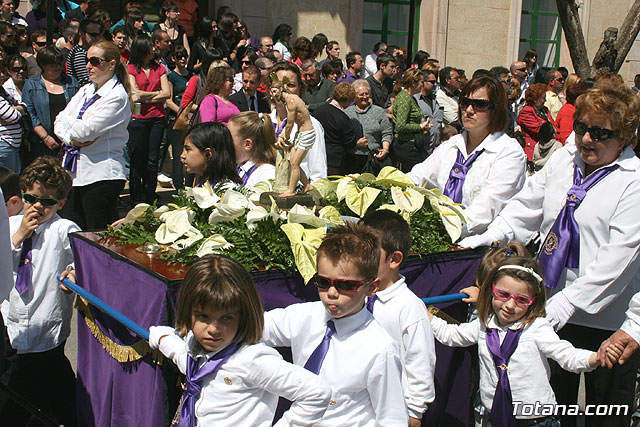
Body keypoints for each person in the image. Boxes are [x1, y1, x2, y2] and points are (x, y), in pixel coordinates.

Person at [459, 81, 640, 427]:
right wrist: (484, 237)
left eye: (600, 132)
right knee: (553, 409)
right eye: (582, 127)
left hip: (607, 319)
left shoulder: (634, 181)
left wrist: (564, 304)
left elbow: (616, 261)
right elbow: (526, 207)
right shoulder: (564, 159)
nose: (586, 139)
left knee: (606, 414)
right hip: (548, 308)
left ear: (625, 136)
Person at [430, 243, 622, 426]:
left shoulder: (537, 328)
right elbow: (451, 335)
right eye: (503, 294)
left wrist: (595, 357)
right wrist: (426, 316)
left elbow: (566, 355)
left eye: (521, 300)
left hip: (536, 418)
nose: (510, 305)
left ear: (533, 301)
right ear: (491, 290)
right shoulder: (483, 325)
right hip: (495, 415)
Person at [145, 254, 331, 426]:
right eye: (203, 317)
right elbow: (183, 357)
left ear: (243, 316)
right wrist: (162, 337)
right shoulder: (195, 347)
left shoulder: (253, 360)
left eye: (226, 318)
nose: (213, 329)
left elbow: (316, 393)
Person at [262, 223, 408, 425]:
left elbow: (391, 419)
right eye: (323, 282)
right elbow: (253, 328)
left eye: (345, 285)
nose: (331, 292)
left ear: (371, 287)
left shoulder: (380, 349)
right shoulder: (305, 316)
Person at [0, 156, 80, 426]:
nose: (37, 206)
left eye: (47, 201)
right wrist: (18, 236)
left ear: (61, 203)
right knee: (15, 393)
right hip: (11, 328)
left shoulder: (63, 229)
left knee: (53, 392)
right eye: (31, 198)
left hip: (45, 329)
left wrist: (73, 274)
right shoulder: (10, 225)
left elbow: (80, 262)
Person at [408, 75, 527, 235]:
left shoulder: (508, 152)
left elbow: (486, 208)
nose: (469, 110)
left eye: (480, 105)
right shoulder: (452, 144)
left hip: (481, 247)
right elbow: (419, 176)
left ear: (496, 109)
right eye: (465, 103)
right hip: (442, 236)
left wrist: (444, 229)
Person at [359, 210, 436, 426]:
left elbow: (420, 362)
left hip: (394, 412)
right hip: (361, 408)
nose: (358, 258)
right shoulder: (358, 295)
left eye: (367, 252)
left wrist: (414, 412)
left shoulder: (409, 307)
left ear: (394, 259)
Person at [54, 40, 131, 230]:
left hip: (101, 175)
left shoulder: (116, 96)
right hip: (74, 173)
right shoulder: (86, 89)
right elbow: (58, 121)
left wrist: (71, 126)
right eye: (88, 60)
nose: (89, 66)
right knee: (73, 230)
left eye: (95, 61)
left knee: (97, 236)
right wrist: (71, 138)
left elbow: (85, 131)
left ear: (111, 64)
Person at [126, 35, 169, 204]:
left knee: (153, 159)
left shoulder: (159, 69)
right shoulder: (130, 69)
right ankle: (135, 198)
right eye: (150, 47)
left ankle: (150, 196)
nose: (153, 50)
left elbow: (167, 93)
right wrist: (155, 95)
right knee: (137, 158)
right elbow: (134, 94)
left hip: (157, 118)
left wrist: (146, 97)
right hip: (138, 119)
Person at [269, 62, 327, 184]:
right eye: (278, 84)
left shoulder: (312, 125)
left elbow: (319, 174)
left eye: (290, 85)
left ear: (300, 88)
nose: (284, 88)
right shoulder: (263, 121)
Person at [22, 46, 79, 164]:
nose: (58, 67)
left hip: (68, 142)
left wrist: (68, 137)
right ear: (43, 65)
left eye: (59, 63)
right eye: (53, 64)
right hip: (41, 143)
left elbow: (79, 110)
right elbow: (30, 114)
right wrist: (45, 137)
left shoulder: (71, 82)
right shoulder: (31, 84)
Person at [270, 72, 315, 196]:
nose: (273, 95)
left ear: (280, 90)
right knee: (292, 162)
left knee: (294, 163)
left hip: (307, 133)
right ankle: (307, 185)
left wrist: (285, 137)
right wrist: (282, 135)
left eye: (274, 92)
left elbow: (289, 124)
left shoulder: (291, 100)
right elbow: (289, 123)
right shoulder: (288, 101)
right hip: (301, 133)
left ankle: (291, 191)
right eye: (271, 92)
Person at [345, 79, 393, 174]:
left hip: (375, 158)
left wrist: (385, 149)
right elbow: (343, 136)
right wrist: (355, 143)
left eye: (367, 94)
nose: (365, 97)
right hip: (354, 158)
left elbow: (386, 132)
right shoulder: (347, 113)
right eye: (361, 94)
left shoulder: (379, 111)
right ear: (354, 96)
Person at [391, 68, 431, 172]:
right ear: (413, 82)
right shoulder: (404, 98)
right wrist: (419, 126)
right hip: (406, 146)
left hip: (413, 144)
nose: (423, 85)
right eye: (422, 82)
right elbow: (400, 126)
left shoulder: (410, 98)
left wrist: (422, 126)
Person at [312, 82, 356, 175]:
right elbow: (350, 142)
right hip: (335, 160)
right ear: (348, 100)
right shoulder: (343, 118)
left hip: (316, 155)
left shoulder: (318, 111)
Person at [165, 44, 193, 189]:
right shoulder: (171, 76)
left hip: (191, 120)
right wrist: (182, 112)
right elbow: (168, 100)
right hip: (176, 120)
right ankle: (178, 187)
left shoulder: (193, 76)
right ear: (173, 58)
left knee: (190, 152)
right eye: (179, 57)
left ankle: (189, 185)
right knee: (177, 155)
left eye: (184, 56)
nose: (182, 59)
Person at [180, 122, 241, 187]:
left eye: (188, 149)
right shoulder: (205, 185)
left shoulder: (227, 191)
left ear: (208, 154)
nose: (182, 156)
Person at [227, 111, 276, 187]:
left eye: (229, 139)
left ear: (247, 144)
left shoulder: (267, 174)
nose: (225, 144)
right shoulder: (238, 168)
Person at [517, 83, 556, 162]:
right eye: (543, 98)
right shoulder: (526, 111)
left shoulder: (545, 110)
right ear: (535, 98)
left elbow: (553, 125)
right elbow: (540, 130)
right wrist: (552, 129)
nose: (545, 101)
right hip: (534, 150)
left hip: (548, 148)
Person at [67, 18, 104, 87]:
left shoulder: (88, 51)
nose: (97, 38)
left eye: (99, 34)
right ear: (81, 33)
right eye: (93, 35)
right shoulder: (78, 53)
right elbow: (86, 80)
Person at [414, 69, 443, 156]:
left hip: (435, 149)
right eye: (432, 82)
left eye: (436, 82)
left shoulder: (436, 100)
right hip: (420, 149)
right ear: (424, 82)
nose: (435, 85)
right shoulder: (415, 100)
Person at [0, 62, 23, 172]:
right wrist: (17, 109)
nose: (1, 75)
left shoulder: (3, 93)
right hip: (4, 145)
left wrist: (18, 107)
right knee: (7, 183)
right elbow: (13, 116)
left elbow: (23, 104)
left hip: (12, 145)